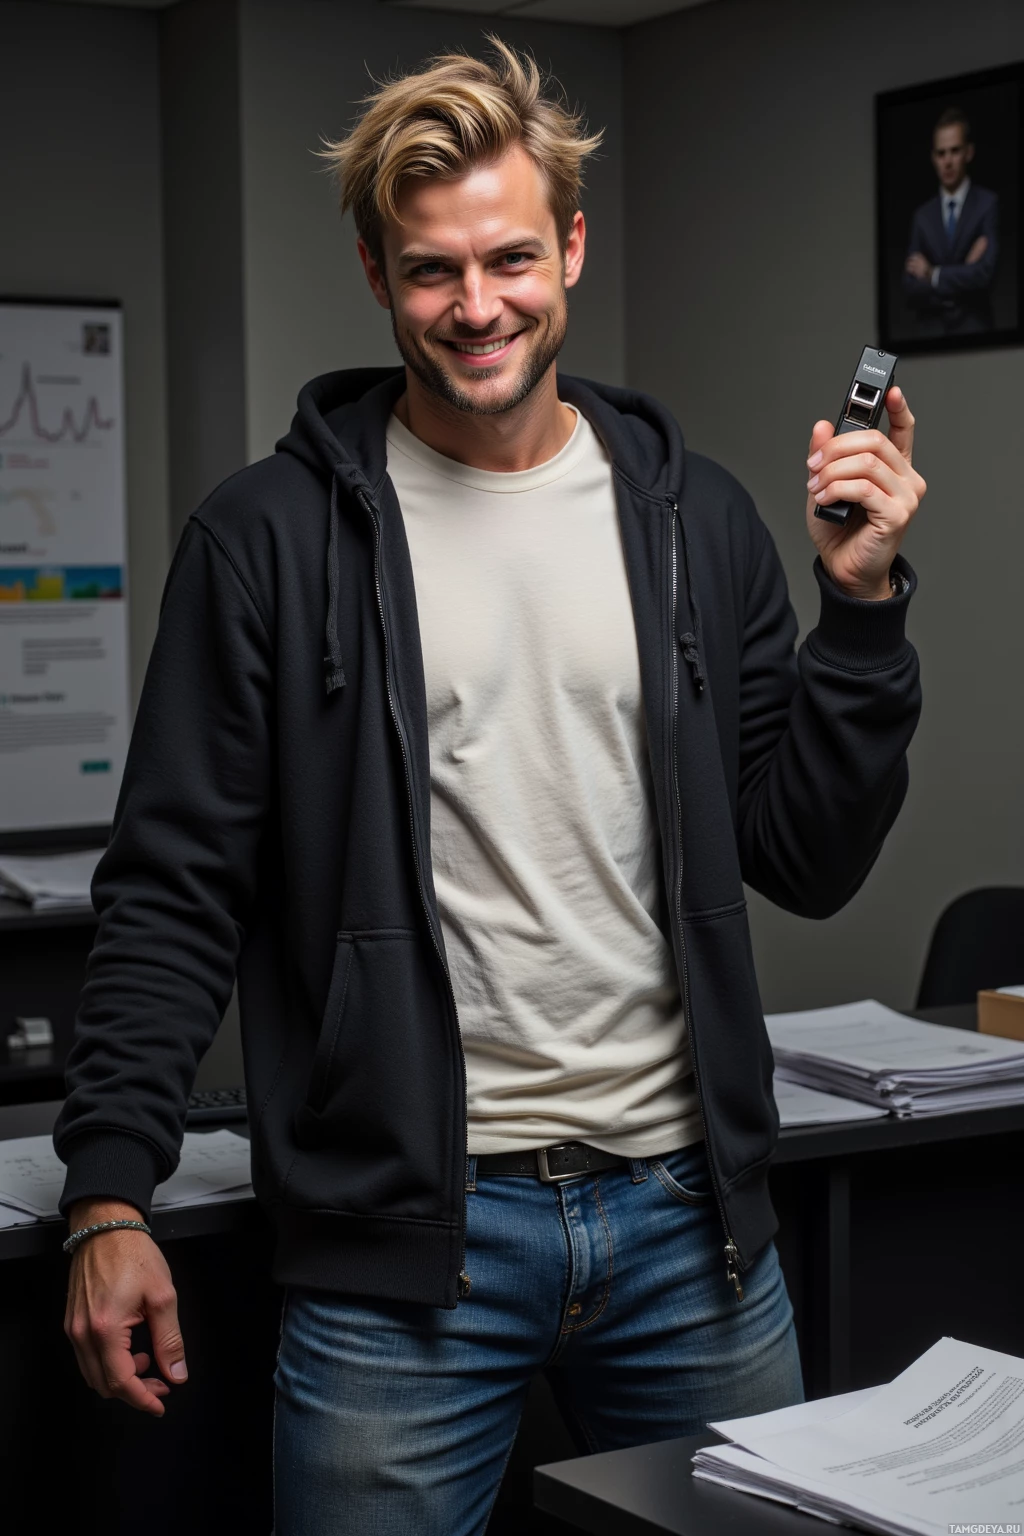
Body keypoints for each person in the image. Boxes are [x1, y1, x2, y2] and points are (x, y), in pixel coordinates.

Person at [56, 39, 925, 1536]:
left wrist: (858, 612)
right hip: (401, 1257)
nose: (478, 307)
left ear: (570, 247)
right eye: (432, 271)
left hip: (689, 1230)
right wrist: (108, 1194)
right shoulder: (265, 541)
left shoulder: (695, 521)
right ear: (376, 272)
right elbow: (172, 890)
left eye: (511, 258)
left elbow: (805, 853)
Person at [903, 105, 999, 336]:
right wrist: (964, 272)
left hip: (977, 334)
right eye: (941, 153)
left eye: (954, 151)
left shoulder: (987, 204)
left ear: (969, 152)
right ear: (933, 158)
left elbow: (985, 275)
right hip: (930, 337)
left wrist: (932, 274)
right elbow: (910, 289)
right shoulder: (922, 216)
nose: (947, 161)